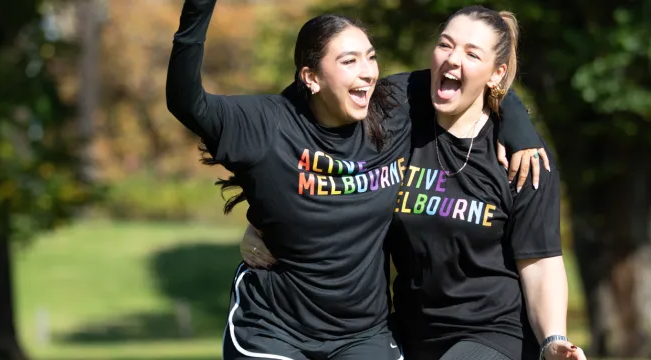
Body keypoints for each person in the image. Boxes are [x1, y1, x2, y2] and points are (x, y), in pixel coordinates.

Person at [167, 0, 547, 359]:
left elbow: (468, 79)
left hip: (363, 336)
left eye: (371, 57)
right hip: (273, 328)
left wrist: (518, 124)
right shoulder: (266, 123)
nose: (367, 72)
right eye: (349, 61)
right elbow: (187, 101)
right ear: (311, 77)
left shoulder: (391, 109)